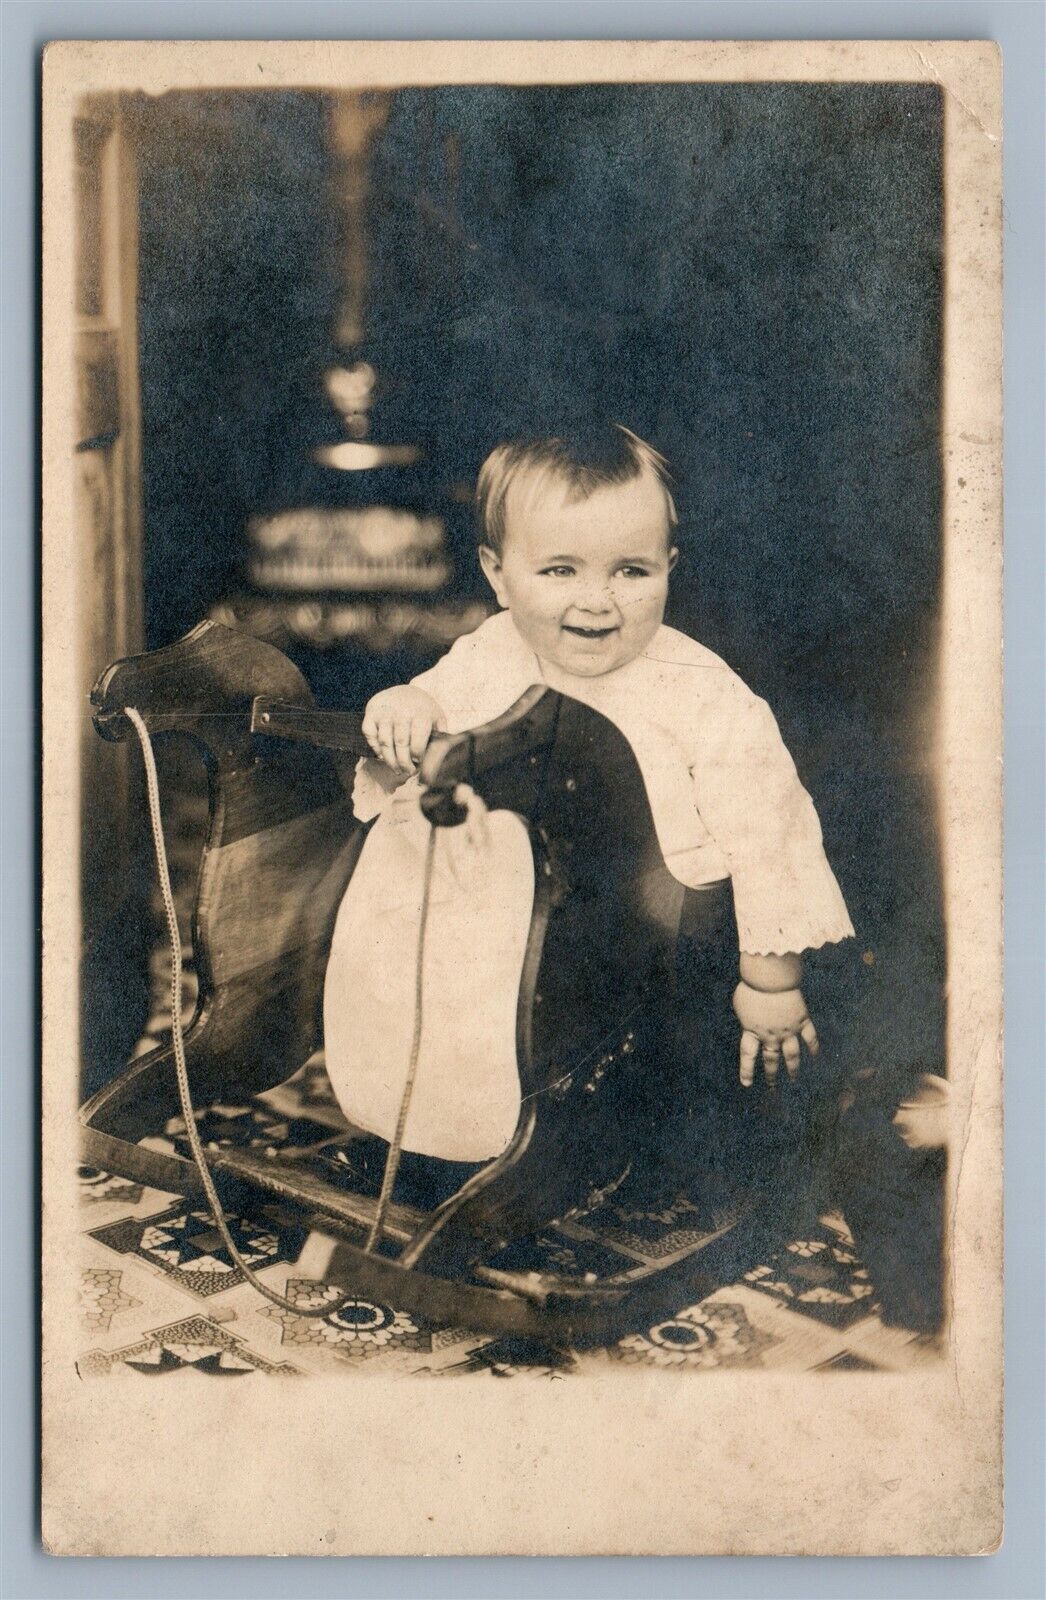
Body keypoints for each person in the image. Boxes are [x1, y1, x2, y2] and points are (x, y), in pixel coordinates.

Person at [324, 424, 854, 1173]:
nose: (597, 602)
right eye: (561, 570)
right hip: (511, 915)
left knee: (665, 1061)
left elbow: (774, 836)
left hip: (658, 929)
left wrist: (773, 981)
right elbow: (430, 720)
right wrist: (406, 705)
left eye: (631, 571)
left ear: (670, 566)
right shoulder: (491, 648)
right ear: (498, 574)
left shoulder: (704, 695)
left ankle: (623, 1133)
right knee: (409, 941)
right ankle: (441, 1125)